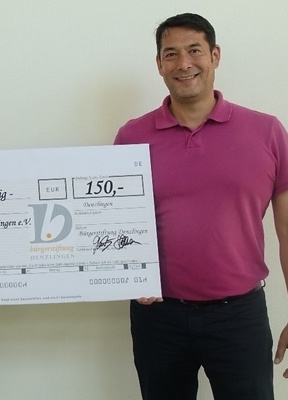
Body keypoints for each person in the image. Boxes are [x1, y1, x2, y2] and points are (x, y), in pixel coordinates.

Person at [114, 13, 288, 400]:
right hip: (158, 316)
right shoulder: (131, 137)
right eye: (171, 54)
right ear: (159, 64)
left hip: (239, 316)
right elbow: (113, 225)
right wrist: (128, 277)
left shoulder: (267, 132)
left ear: (215, 55)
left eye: (194, 50)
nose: (184, 63)